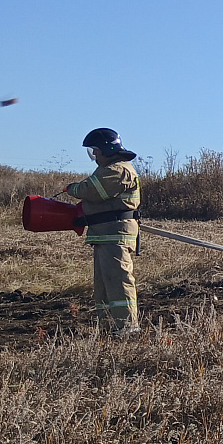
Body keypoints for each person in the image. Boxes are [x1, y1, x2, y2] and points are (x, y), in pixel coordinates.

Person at [63, 128, 142, 333]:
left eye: (95, 150)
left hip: (115, 234)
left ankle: (127, 328)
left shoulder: (118, 170)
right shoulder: (110, 168)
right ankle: (108, 326)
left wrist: (72, 188)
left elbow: (91, 190)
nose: (94, 155)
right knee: (105, 286)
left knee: (118, 281)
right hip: (105, 234)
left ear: (107, 149)